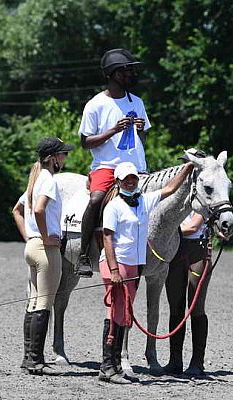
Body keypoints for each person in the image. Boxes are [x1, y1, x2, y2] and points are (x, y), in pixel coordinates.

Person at [98, 160, 194, 384]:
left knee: (123, 314)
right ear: (118, 182)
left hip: (132, 265)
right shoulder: (113, 206)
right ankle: (107, 366)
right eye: (126, 180)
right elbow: (107, 237)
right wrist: (114, 269)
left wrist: (187, 169)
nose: (131, 182)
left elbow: (170, 189)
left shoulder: (143, 201)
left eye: (133, 179)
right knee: (116, 313)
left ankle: (113, 366)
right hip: (116, 263)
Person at [75, 48, 151, 278]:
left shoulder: (136, 102)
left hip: (137, 167)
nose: (131, 74)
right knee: (97, 199)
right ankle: (83, 255)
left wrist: (139, 130)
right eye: (127, 70)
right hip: (107, 166)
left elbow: (144, 137)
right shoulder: (95, 104)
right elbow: (85, 142)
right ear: (114, 74)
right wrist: (112, 131)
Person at [12, 137, 74, 375]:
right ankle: (36, 360)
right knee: (45, 302)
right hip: (45, 250)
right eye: (63, 154)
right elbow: (39, 209)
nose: (65, 158)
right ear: (52, 158)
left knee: (34, 301)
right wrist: (46, 237)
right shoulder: (48, 179)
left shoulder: (36, 179)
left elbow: (17, 210)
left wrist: (30, 236)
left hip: (32, 247)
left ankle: (29, 357)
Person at [163, 212, 211, 378]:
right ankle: (175, 361)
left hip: (197, 250)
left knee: (196, 306)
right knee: (175, 306)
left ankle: (197, 362)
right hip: (175, 249)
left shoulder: (201, 196)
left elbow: (193, 226)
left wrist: (162, 234)